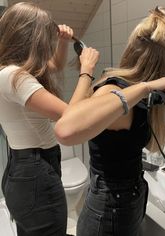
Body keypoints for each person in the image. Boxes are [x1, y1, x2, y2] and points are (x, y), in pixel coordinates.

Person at [55, 6, 165, 236]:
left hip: (130, 199)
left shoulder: (137, 97)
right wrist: (146, 86)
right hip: (110, 207)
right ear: (163, 66)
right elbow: (65, 130)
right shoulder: (114, 90)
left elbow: (150, 144)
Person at [0, 2, 99, 236]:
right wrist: (86, 71)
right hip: (36, 175)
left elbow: (54, 66)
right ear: (30, 37)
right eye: (45, 36)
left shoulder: (9, 72)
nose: (47, 43)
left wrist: (63, 42)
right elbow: (71, 117)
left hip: (23, 171)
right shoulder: (15, 76)